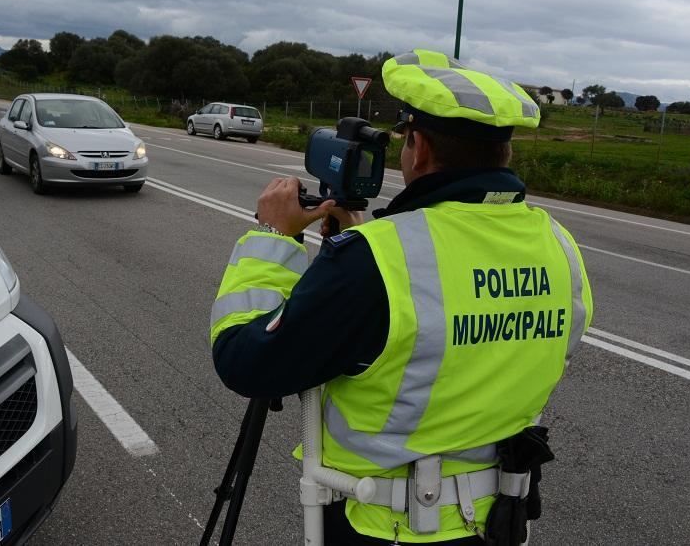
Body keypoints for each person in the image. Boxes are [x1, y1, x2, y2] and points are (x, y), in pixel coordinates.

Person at [209, 49, 593, 545]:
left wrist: (272, 236)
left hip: (387, 526)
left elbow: (247, 363)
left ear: (420, 148)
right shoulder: (558, 245)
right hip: (497, 520)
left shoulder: (377, 260)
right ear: (506, 154)